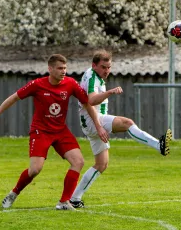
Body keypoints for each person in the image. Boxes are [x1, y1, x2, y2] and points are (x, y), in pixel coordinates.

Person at [0, 54, 108, 210]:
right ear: (50, 69)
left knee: (78, 162)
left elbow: (87, 103)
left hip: (60, 131)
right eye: (60, 68)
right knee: (35, 169)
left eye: (65, 68)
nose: (64, 71)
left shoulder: (70, 84)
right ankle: (14, 193)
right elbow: (14, 98)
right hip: (41, 131)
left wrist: (98, 126)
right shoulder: (37, 84)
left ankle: (64, 202)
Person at [69, 50, 172, 208]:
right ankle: (159, 146)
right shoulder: (91, 76)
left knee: (101, 164)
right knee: (127, 123)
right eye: (103, 67)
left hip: (92, 121)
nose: (107, 71)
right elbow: (90, 99)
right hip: (94, 120)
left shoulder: (96, 76)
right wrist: (109, 93)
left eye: (109, 67)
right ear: (94, 65)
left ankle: (75, 199)